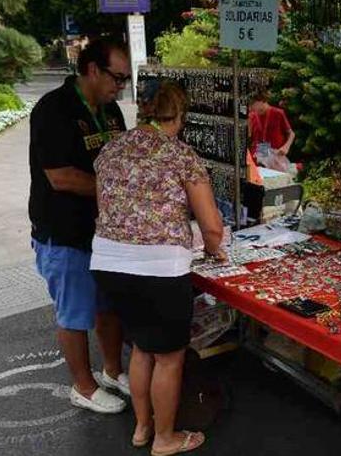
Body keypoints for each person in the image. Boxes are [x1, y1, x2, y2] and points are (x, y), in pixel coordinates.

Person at [91, 81, 225, 455]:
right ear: (179, 116)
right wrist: (214, 250)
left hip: (108, 263)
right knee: (168, 356)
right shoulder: (181, 155)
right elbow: (211, 226)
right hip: (160, 270)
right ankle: (165, 439)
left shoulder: (110, 149)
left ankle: (142, 427)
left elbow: (104, 207)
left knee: (141, 348)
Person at [29, 39, 131, 414]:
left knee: (108, 305)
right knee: (74, 312)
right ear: (92, 70)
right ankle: (83, 387)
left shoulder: (111, 110)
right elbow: (60, 177)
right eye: (117, 78)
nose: (120, 87)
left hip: (104, 231)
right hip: (64, 231)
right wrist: (121, 193)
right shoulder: (53, 110)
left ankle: (111, 371)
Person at [248, 87, 295, 170]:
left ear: (262, 100)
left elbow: (291, 133)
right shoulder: (252, 116)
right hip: (258, 157)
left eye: (252, 104)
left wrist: (286, 147)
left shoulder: (278, 113)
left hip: (276, 157)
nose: (251, 107)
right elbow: (249, 136)